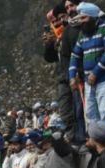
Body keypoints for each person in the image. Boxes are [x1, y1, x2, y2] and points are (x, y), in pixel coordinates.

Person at [69, 2, 105, 126]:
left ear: (93, 17)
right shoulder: (83, 33)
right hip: (88, 80)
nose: (82, 21)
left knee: (104, 111)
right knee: (90, 113)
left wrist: (96, 73)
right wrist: (72, 76)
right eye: (80, 18)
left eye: (84, 18)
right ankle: (94, 140)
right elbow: (75, 55)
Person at [44, 0, 84, 143]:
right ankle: (72, 137)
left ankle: (81, 138)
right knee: (65, 110)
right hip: (63, 78)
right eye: (58, 19)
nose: (61, 20)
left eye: (63, 16)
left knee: (79, 110)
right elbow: (50, 58)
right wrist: (50, 45)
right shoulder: (59, 36)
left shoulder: (77, 29)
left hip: (77, 76)